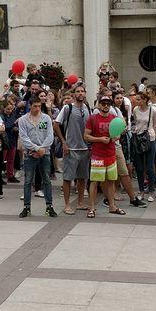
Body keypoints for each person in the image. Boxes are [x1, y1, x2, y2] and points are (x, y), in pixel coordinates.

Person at [83, 95, 123, 218]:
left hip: (111, 155)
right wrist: (99, 139)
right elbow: (86, 136)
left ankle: (112, 206)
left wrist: (116, 137)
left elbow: (118, 133)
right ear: (99, 104)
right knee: (94, 182)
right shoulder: (93, 118)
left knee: (111, 181)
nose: (106, 106)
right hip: (98, 156)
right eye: (103, 103)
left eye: (108, 104)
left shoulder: (114, 118)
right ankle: (91, 208)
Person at [17, 97, 57, 218]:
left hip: (44, 153)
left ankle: (49, 206)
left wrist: (42, 149)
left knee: (46, 180)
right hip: (30, 154)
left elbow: (50, 136)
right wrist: (36, 149)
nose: (37, 108)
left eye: (39, 106)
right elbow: (24, 138)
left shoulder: (46, 118)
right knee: (28, 180)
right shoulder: (23, 120)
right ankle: (26, 207)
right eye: (35, 106)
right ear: (30, 106)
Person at [54, 84, 91, 214]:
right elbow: (56, 124)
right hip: (71, 149)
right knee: (68, 178)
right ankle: (67, 205)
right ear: (74, 94)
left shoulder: (87, 109)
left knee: (82, 178)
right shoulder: (67, 108)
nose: (80, 93)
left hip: (85, 149)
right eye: (78, 91)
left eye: (82, 91)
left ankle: (80, 203)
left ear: (85, 93)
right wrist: (63, 142)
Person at [130, 92, 156, 201]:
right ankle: (141, 191)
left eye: (139, 99)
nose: (137, 101)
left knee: (150, 166)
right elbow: (135, 122)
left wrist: (154, 135)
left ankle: (151, 191)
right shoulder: (135, 110)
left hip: (150, 139)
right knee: (139, 167)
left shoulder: (152, 110)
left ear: (145, 100)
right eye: (136, 99)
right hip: (138, 138)